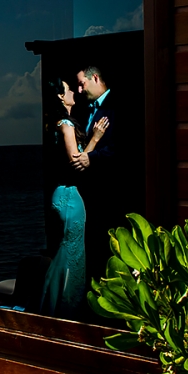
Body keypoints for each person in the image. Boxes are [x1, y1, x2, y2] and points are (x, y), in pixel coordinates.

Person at [37, 79, 108, 318]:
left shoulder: (60, 123)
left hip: (62, 194)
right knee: (72, 254)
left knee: (64, 252)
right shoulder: (66, 124)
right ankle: (64, 310)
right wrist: (96, 138)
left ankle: (53, 306)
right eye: (68, 89)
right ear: (60, 96)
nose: (73, 92)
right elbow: (76, 163)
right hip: (69, 195)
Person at [69, 65, 117, 281]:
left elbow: (124, 146)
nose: (80, 90)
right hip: (93, 192)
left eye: (82, 83)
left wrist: (93, 157)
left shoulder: (116, 106)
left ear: (95, 77)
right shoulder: (90, 109)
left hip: (109, 191)